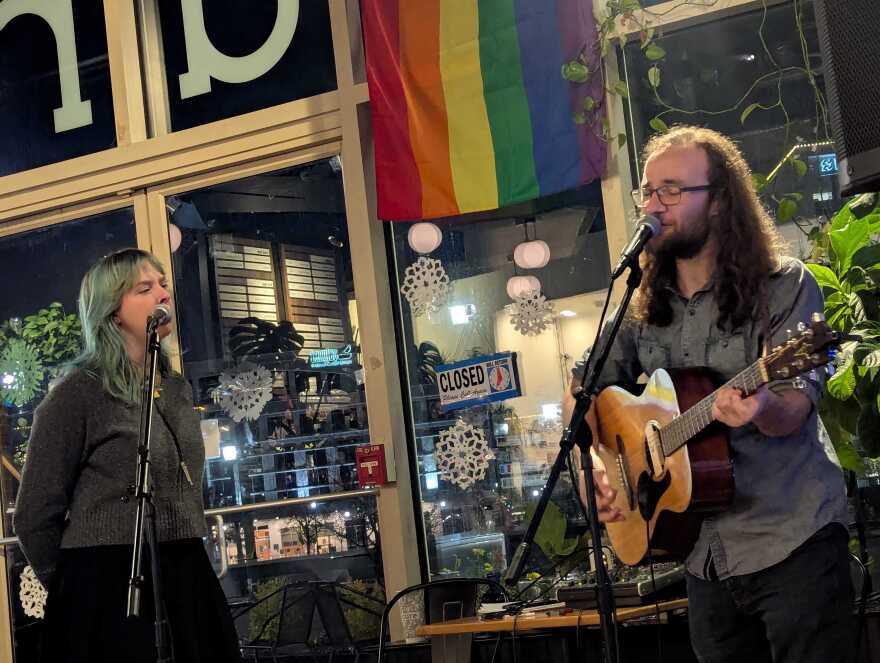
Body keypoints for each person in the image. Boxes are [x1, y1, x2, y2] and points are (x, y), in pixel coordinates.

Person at [566, 126, 853, 663]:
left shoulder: (782, 285)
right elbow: (584, 391)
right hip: (703, 557)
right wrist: (600, 473)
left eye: (672, 190)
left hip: (792, 542)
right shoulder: (641, 305)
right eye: (648, 192)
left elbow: (794, 403)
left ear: (719, 201)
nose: (654, 205)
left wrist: (761, 407)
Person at [14, 248, 241, 662]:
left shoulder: (174, 388)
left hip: (183, 568)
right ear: (113, 312)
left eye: (163, 284)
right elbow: (34, 513)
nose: (162, 294)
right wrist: (73, 587)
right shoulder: (77, 393)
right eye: (145, 288)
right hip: (106, 579)